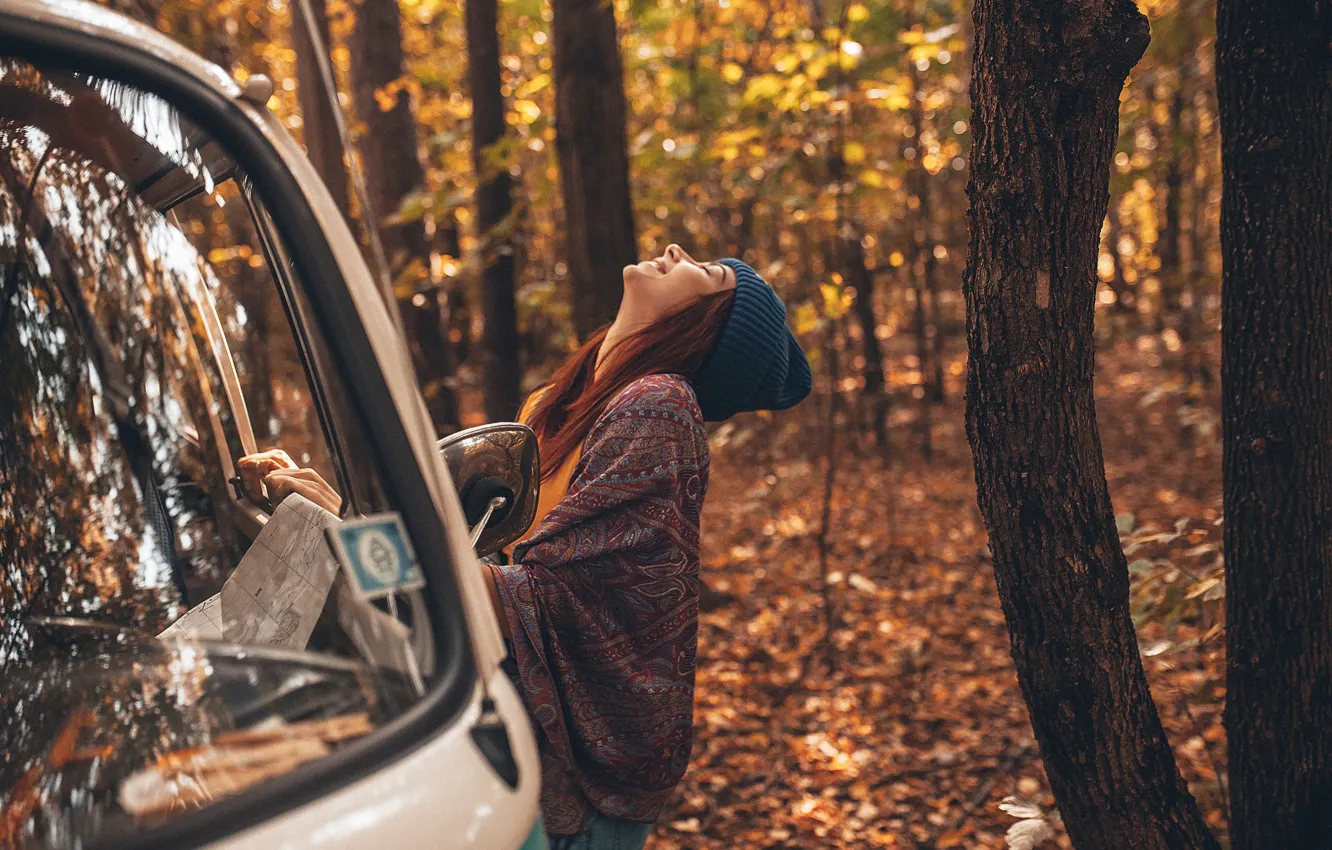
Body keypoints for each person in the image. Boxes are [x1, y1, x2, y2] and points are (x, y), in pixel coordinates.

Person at [238, 244, 811, 849]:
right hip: (512, 735)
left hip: (574, 782)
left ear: (704, 327)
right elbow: (483, 564)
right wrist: (334, 513)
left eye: (711, 271)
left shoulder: (659, 407)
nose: (677, 250)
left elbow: (531, 602)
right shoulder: (560, 405)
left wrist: (342, 531)